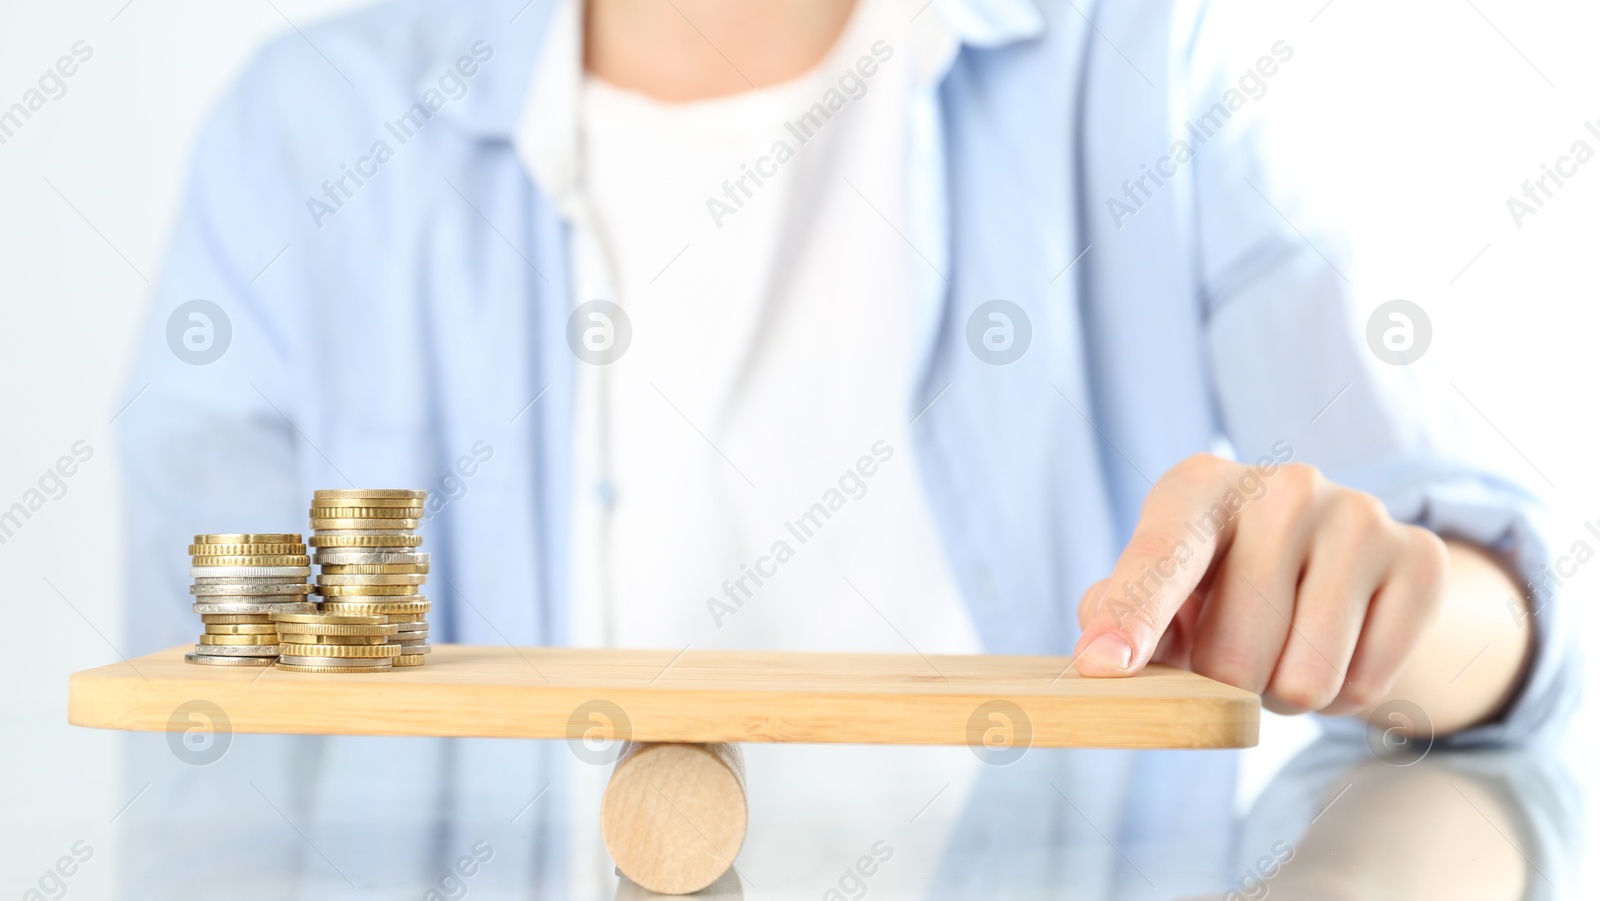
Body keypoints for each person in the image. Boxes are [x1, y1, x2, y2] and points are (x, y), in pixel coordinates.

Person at [119, 0, 1573, 748]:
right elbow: (206, 792)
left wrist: (1398, 615)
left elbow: (1496, 612)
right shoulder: (297, 144)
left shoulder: (1141, 56)